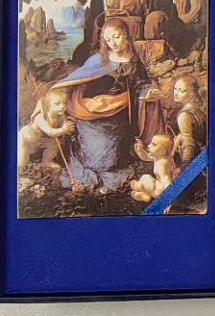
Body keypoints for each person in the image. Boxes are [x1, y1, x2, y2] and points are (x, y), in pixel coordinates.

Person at [49, 17, 162, 191]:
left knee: (108, 159)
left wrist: (148, 92)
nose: (113, 43)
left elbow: (140, 84)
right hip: (90, 112)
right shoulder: (98, 59)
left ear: (126, 35)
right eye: (108, 39)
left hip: (118, 114)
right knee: (91, 150)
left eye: (116, 37)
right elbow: (81, 78)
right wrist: (66, 91)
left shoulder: (133, 60)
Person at [17, 88, 75, 170]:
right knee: (21, 164)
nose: (62, 106)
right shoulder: (40, 117)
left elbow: (64, 126)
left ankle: (47, 161)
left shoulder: (60, 116)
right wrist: (63, 130)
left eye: (64, 103)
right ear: (47, 105)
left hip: (45, 140)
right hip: (28, 140)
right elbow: (50, 132)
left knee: (55, 142)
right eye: (57, 104)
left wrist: (69, 129)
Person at [171, 75, 206, 166]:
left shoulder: (184, 115)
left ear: (191, 94)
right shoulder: (197, 109)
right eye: (175, 89)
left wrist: (184, 165)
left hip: (195, 158)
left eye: (181, 90)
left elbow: (189, 143)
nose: (176, 93)